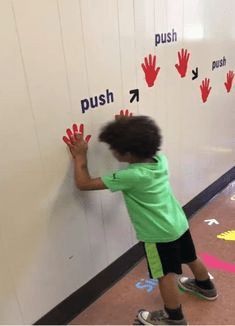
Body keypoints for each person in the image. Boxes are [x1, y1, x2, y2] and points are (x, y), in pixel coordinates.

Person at [63, 115, 217, 325]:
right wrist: (129, 128)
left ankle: (174, 318)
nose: (112, 152)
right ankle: (206, 287)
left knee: (165, 275)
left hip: (158, 234)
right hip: (178, 222)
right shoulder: (159, 160)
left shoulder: (131, 177)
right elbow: (140, 146)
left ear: (128, 153)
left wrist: (81, 156)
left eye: (115, 148)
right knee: (190, 256)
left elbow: (84, 183)